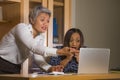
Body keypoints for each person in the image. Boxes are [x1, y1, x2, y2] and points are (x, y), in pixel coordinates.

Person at [0, 6, 79, 74]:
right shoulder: (21, 28)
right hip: (1, 62)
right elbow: (34, 47)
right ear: (32, 20)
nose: (46, 24)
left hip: (15, 67)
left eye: (48, 21)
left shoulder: (40, 37)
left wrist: (50, 68)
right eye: (42, 20)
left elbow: (38, 58)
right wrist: (60, 51)